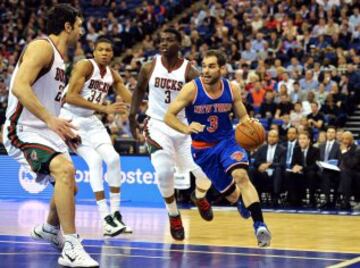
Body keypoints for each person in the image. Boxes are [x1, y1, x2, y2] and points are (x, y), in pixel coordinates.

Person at [2, 4, 98, 267]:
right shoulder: (41, 47)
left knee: (70, 186)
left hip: (45, 130)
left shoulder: (60, 58)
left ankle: (48, 229)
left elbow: (45, 99)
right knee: (65, 171)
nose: (81, 31)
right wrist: (50, 120)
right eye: (79, 25)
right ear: (67, 26)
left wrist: (61, 128)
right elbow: (20, 86)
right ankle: (71, 245)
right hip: (22, 128)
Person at [164, 50, 271, 247]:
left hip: (228, 141)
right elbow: (168, 116)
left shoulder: (232, 89)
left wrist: (250, 124)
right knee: (231, 194)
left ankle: (260, 225)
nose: (205, 70)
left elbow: (243, 116)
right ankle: (239, 201)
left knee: (241, 176)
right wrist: (185, 128)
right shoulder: (191, 89)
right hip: (203, 149)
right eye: (204, 66)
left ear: (222, 69)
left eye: (211, 66)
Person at [129, 28, 213, 241]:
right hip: (157, 125)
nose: (163, 42)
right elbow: (139, 90)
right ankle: (173, 214)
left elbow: (204, 99)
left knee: (207, 175)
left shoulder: (190, 72)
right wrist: (132, 117)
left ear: (179, 43)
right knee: (164, 172)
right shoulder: (149, 67)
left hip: (183, 127)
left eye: (169, 40)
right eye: (162, 39)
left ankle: (199, 196)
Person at [60, 37, 132, 237]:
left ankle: (116, 214)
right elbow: (70, 96)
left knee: (114, 159)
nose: (105, 53)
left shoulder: (112, 74)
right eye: (101, 49)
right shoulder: (85, 66)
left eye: (108, 50)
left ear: (112, 53)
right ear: (93, 51)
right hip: (70, 119)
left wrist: (153, 107)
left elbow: (131, 99)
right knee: (95, 161)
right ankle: (105, 218)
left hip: (90, 120)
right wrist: (104, 108)